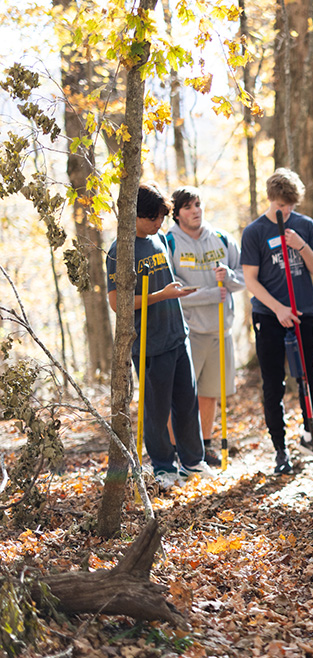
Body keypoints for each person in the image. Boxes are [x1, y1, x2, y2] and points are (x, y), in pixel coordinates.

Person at [106, 182, 209, 489]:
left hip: (178, 335)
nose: (159, 223)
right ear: (136, 216)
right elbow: (116, 303)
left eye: (162, 217)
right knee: (157, 410)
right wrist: (160, 296)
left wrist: (174, 291)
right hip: (150, 345)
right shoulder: (120, 251)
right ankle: (164, 467)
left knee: (187, 403)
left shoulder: (160, 239)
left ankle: (193, 462)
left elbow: (165, 283)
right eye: (153, 218)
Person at [240, 168, 313, 475]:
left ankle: (311, 432)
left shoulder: (305, 225)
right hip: (270, 316)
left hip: (303, 311)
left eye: (290, 206)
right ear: (270, 200)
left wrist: (300, 246)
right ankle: (280, 448)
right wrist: (278, 308)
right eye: (281, 207)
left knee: (308, 376)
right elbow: (250, 280)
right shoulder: (254, 232)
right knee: (273, 383)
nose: (286, 212)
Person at [166, 186, 245, 467]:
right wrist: (212, 293)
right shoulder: (169, 244)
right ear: (176, 214)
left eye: (198, 204)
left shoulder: (222, 238)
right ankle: (175, 451)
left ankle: (205, 447)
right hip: (188, 332)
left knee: (211, 392)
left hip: (221, 329)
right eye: (188, 207)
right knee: (183, 395)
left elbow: (245, 277)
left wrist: (230, 276)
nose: (195, 210)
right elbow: (172, 291)